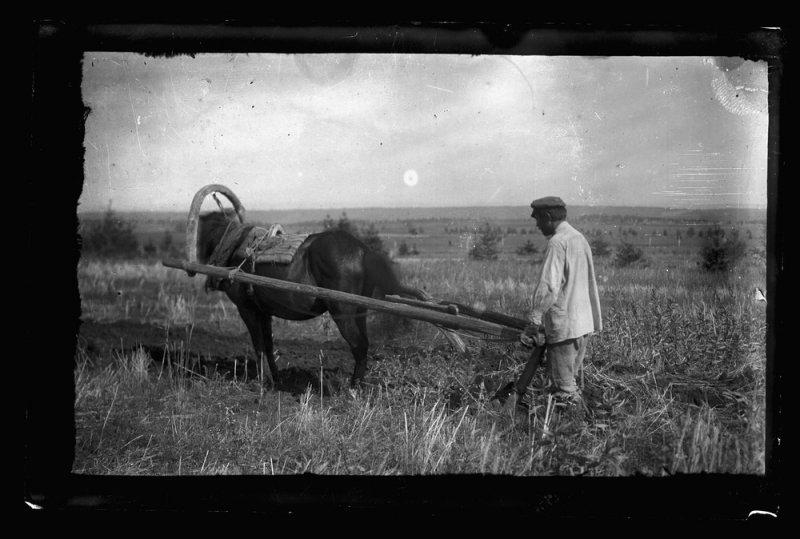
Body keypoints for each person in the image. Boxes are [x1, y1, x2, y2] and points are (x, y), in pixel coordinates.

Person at [515, 196, 603, 407]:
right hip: (582, 324)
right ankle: (575, 425)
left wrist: (534, 319)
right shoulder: (578, 238)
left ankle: (574, 427)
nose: (537, 225)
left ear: (547, 216)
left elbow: (550, 286)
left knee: (563, 388)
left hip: (565, 327)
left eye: (538, 219)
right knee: (568, 380)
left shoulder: (557, 242)